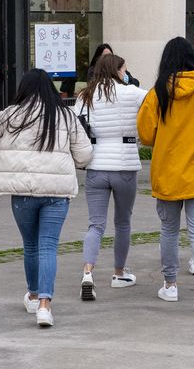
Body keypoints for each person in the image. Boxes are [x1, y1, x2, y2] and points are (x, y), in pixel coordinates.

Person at [0, 68, 93, 329]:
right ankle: (44, 306)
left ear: (23, 89)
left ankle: (32, 296)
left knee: (31, 245)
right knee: (48, 246)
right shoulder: (66, 116)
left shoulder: (11, 114)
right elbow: (85, 155)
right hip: (56, 193)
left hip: (22, 194)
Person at [136, 36, 194, 313]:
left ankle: (170, 285)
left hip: (168, 174)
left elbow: (145, 134)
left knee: (169, 230)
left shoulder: (158, 93)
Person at [77, 51, 146, 300]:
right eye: (124, 69)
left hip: (96, 164)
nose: (126, 73)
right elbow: (154, 102)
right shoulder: (131, 92)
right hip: (125, 164)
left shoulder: (85, 96)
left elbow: (77, 126)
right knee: (123, 222)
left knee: (95, 224)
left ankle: (88, 272)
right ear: (117, 71)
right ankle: (119, 273)